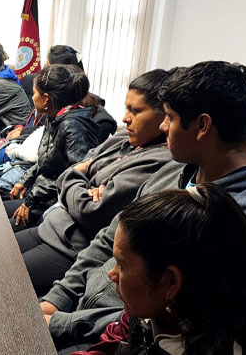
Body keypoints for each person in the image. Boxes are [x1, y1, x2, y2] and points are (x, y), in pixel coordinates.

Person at [41, 61, 246, 353]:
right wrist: (59, 297)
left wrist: (66, 322)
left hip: (119, 336)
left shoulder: (237, 219)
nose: (163, 126)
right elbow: (109, 236)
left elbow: (174, 317)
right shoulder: (174, 171)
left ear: (202, 126)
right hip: (84, 310)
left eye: (169, 117)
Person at [16, 69, 172, 295]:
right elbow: (78, 165)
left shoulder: (157, 160)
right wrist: (83, 180)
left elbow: (90, 211)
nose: (125, 118)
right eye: (127, 108)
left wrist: (79, 174)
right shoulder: (123, 138)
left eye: (136, 111)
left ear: (163, 116)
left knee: (0, 278)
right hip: (51, 225)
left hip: (70, 248)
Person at [73, 184, 246, 354]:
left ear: (170, 281)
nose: (111, 274)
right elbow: (114, 344)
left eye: (121, 265)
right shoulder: (154, 311)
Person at [4, 64, 99, 232]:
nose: (32, 98)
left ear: (46, 98)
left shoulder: (72, 126)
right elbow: (47, 160)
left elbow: (72, 177)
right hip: (41, 197)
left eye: (34, 93)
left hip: (55, 206)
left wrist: (30, 201)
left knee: (0, 229)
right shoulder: (54, 117)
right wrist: (25, 180)